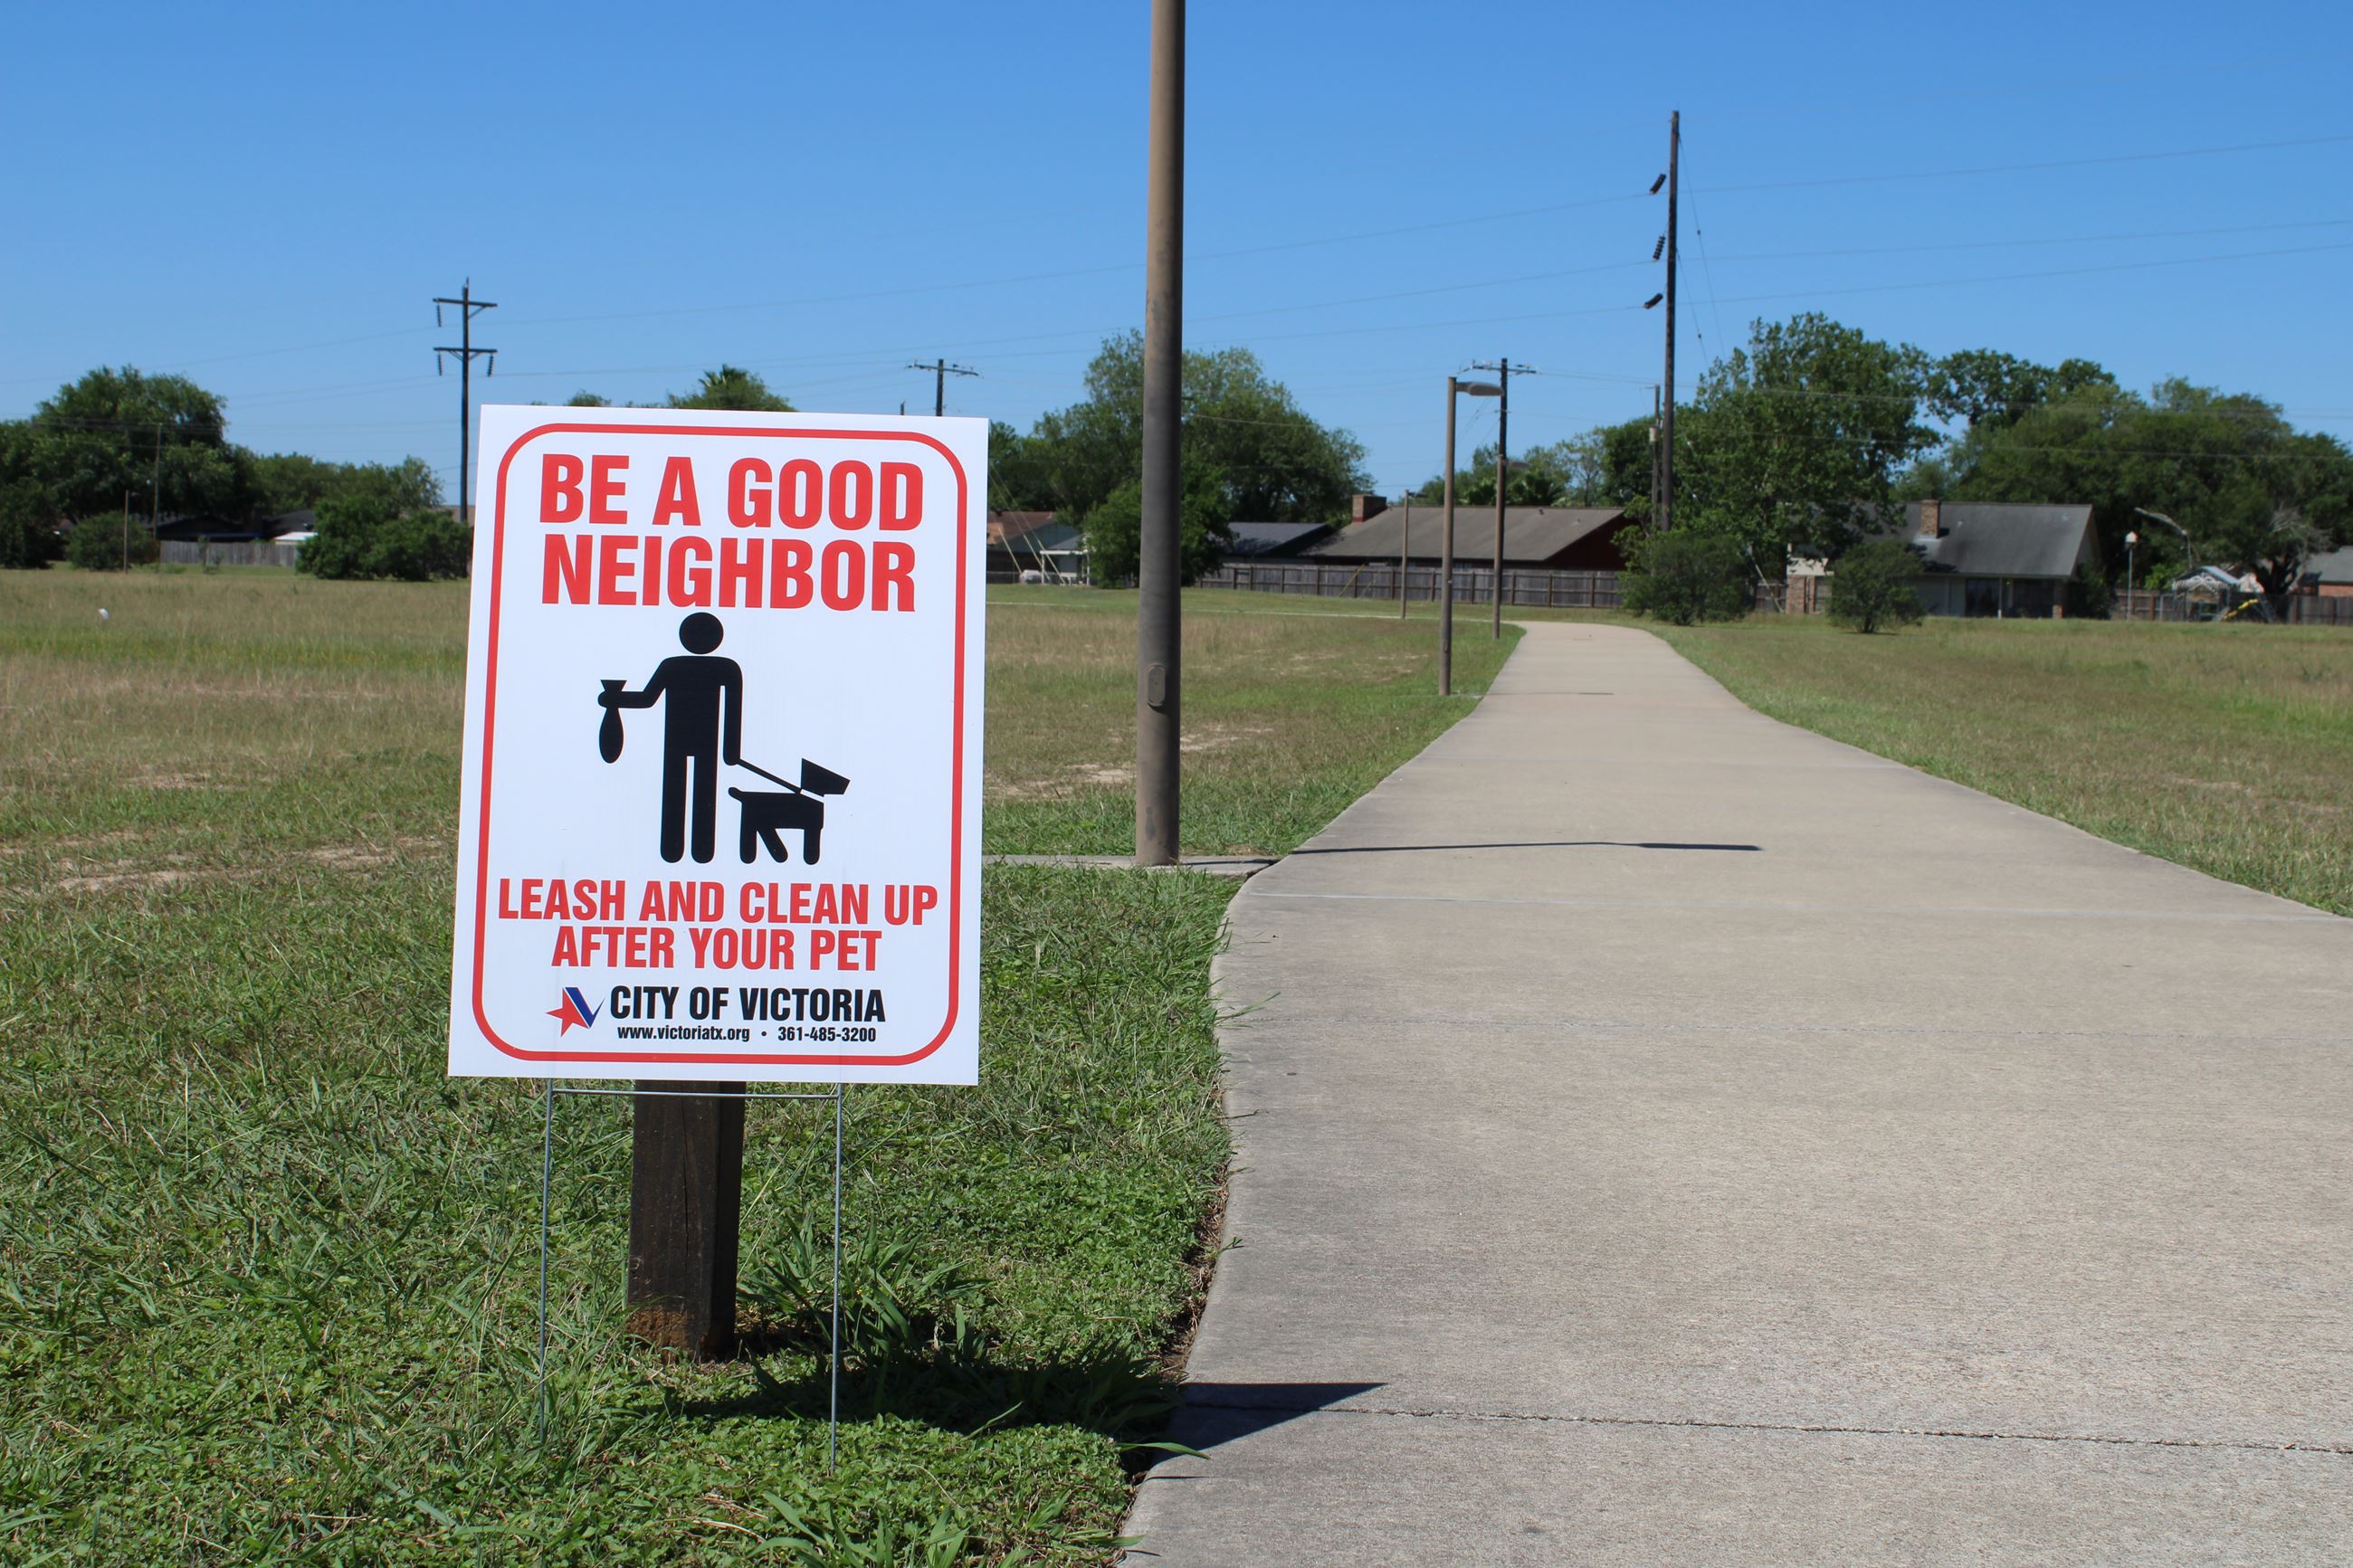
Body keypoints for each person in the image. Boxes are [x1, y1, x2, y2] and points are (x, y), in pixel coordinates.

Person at [600, 613, 743, 864]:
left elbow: (646, 699)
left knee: (696, 792)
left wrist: (615, 700)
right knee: (689, 791)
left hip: (688, 739)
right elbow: (648, 699)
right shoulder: (722, 667)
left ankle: (692, 851)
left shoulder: (685, 666)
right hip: (690, 740)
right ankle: (686, 850)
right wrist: (730, 751)